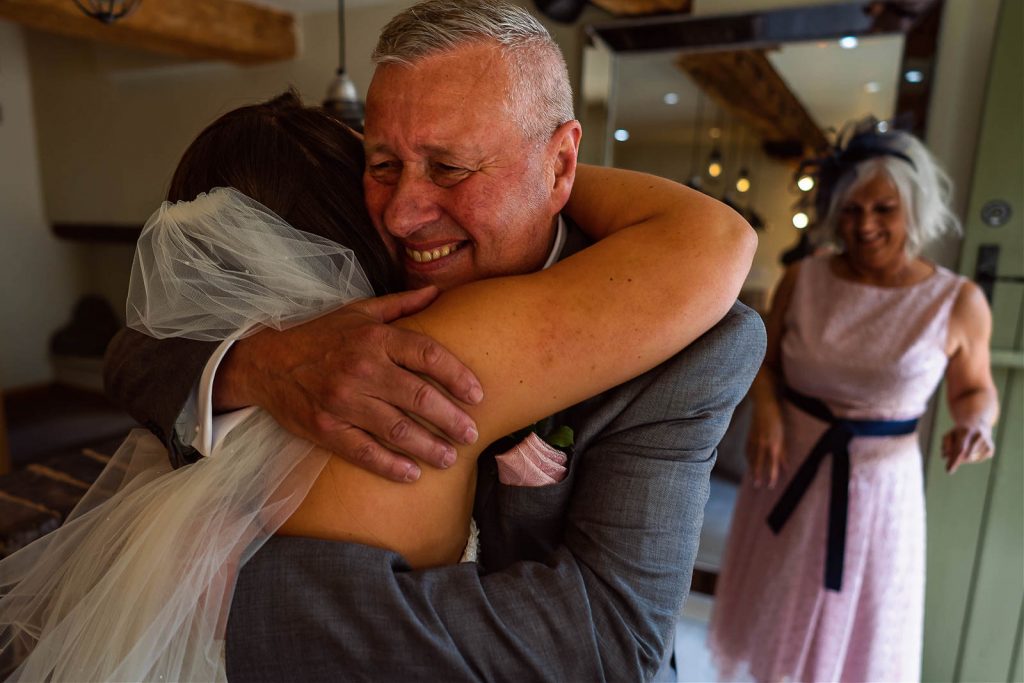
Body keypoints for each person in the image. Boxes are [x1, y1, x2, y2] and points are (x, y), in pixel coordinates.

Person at [103, 1, 765, 679]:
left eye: (450, 169)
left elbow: (610, 642)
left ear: (562, 165)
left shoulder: (693, 344)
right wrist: (251, 364)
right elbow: (139, 350)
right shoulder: (369, 260)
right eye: (384, 163)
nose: (402, 211)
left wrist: (221, 596)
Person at [708, 121, 999, 682]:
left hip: (877, 494)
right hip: (787, 469)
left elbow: (974, 388)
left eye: (883, 209)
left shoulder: (958, 301)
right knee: (774, 616)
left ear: (914, 208)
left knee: (856, 633)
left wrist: (977, 421)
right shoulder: (803, 278)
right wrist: (765, 408)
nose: (863, 224)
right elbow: (764, 361)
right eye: (850, 210)